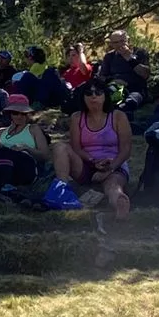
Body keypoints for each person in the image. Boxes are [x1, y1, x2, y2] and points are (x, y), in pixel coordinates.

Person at [53, 79, 133, 217]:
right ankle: (62, 190)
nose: (93, 96)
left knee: (112, 185)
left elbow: (126, 149)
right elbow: (76, 147)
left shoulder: (118, 117)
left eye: (98, 92)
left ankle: (120, 202)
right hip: (86, 163)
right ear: (83, 97)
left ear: (105, 95)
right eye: (89, 93)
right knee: (60, 147)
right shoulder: (77, 117)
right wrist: (93, 161)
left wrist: (110, 168)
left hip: (114, 164)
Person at [0, 93, 50, 207]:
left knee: (7, 153)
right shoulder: (0, 132)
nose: (20, 117)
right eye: (16, 113)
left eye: (23, 114)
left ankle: (8, 189)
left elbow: (44, 155)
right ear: (9, 114)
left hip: (25, 168)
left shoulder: (33, 129)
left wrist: (27, 148)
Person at [96, 31, 151, 111]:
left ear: (128, 40)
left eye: (122, 41)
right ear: (111, 44)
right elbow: (102, 77)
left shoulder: (139, 53)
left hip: (136, 89)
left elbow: (145, 74)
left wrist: (129, 58)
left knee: (130, 103)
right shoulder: (109, 57)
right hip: (115, 87)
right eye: (116, 42)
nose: (119, 45)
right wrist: (114, 81)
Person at [12, 46, 69, 110]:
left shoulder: (35, 68)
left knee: (25, 78)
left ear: (31, 57)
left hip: (44, 100)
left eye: (26, 55)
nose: (25, 58)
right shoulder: (47, 67)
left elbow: (28, 84)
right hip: (57, 100)